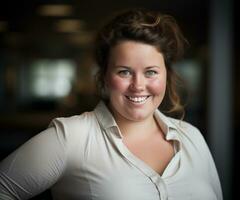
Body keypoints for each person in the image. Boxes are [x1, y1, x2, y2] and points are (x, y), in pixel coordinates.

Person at [0, 8, 223, 200]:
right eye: (124, 71)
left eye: (151, 72)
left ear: (166, 75)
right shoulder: (71, 137)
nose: (138, 85)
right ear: (104, 76)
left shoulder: (191, 137)